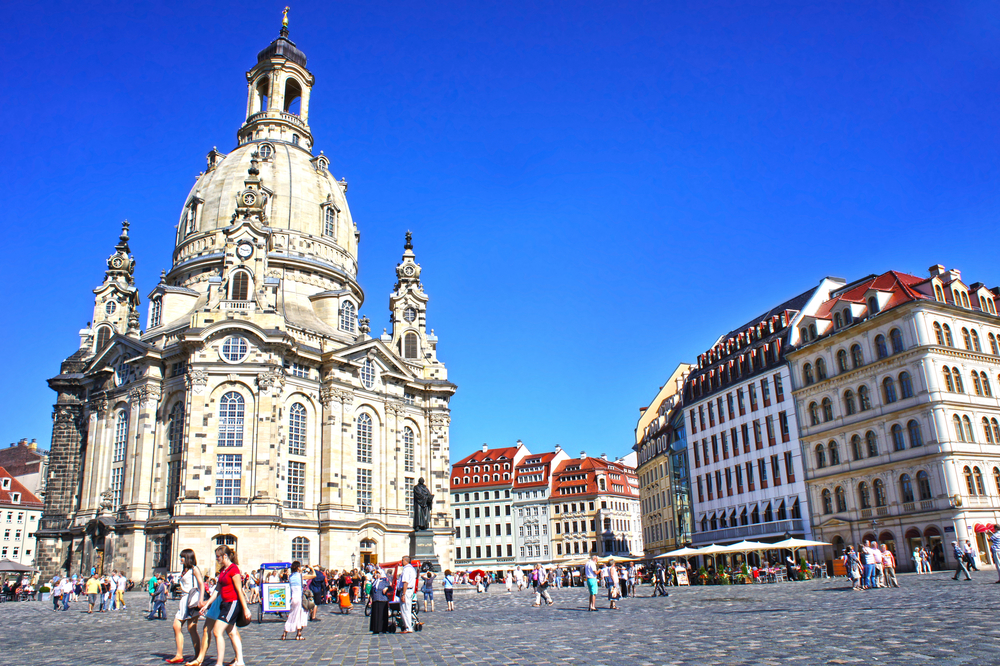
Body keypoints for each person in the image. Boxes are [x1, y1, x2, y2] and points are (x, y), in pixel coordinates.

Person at [186, 545, 251, 666]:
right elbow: (217, 590)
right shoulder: (223, 570)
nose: (217, 559)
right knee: (232, 632)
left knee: (217, 631)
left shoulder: (233, 569)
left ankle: (219, 663)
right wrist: (207, 604)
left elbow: (239, 589)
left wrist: (246, 608)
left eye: (218, 557)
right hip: (224, 604)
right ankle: (240, 661)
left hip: (232, 603)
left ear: (225, 556)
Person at [282, 561, 309, 641]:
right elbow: (313, 575)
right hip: (299, 598)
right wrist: (310, 568)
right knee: (296, 616)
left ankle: (297, 634)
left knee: (297, 615)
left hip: (293, 597)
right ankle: (286, 632)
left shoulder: (291, 576)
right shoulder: (300, 576)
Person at [397, 556, 417, 633]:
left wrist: (403, 594)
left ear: (406, 561)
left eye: (402, 560)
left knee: (404, 609)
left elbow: (405, 582)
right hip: (410, 590)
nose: (401, 562)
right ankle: (408, 626)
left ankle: (408, 627)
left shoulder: (406, 569)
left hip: (406, 591)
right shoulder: (412, 569)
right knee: (407, 609)